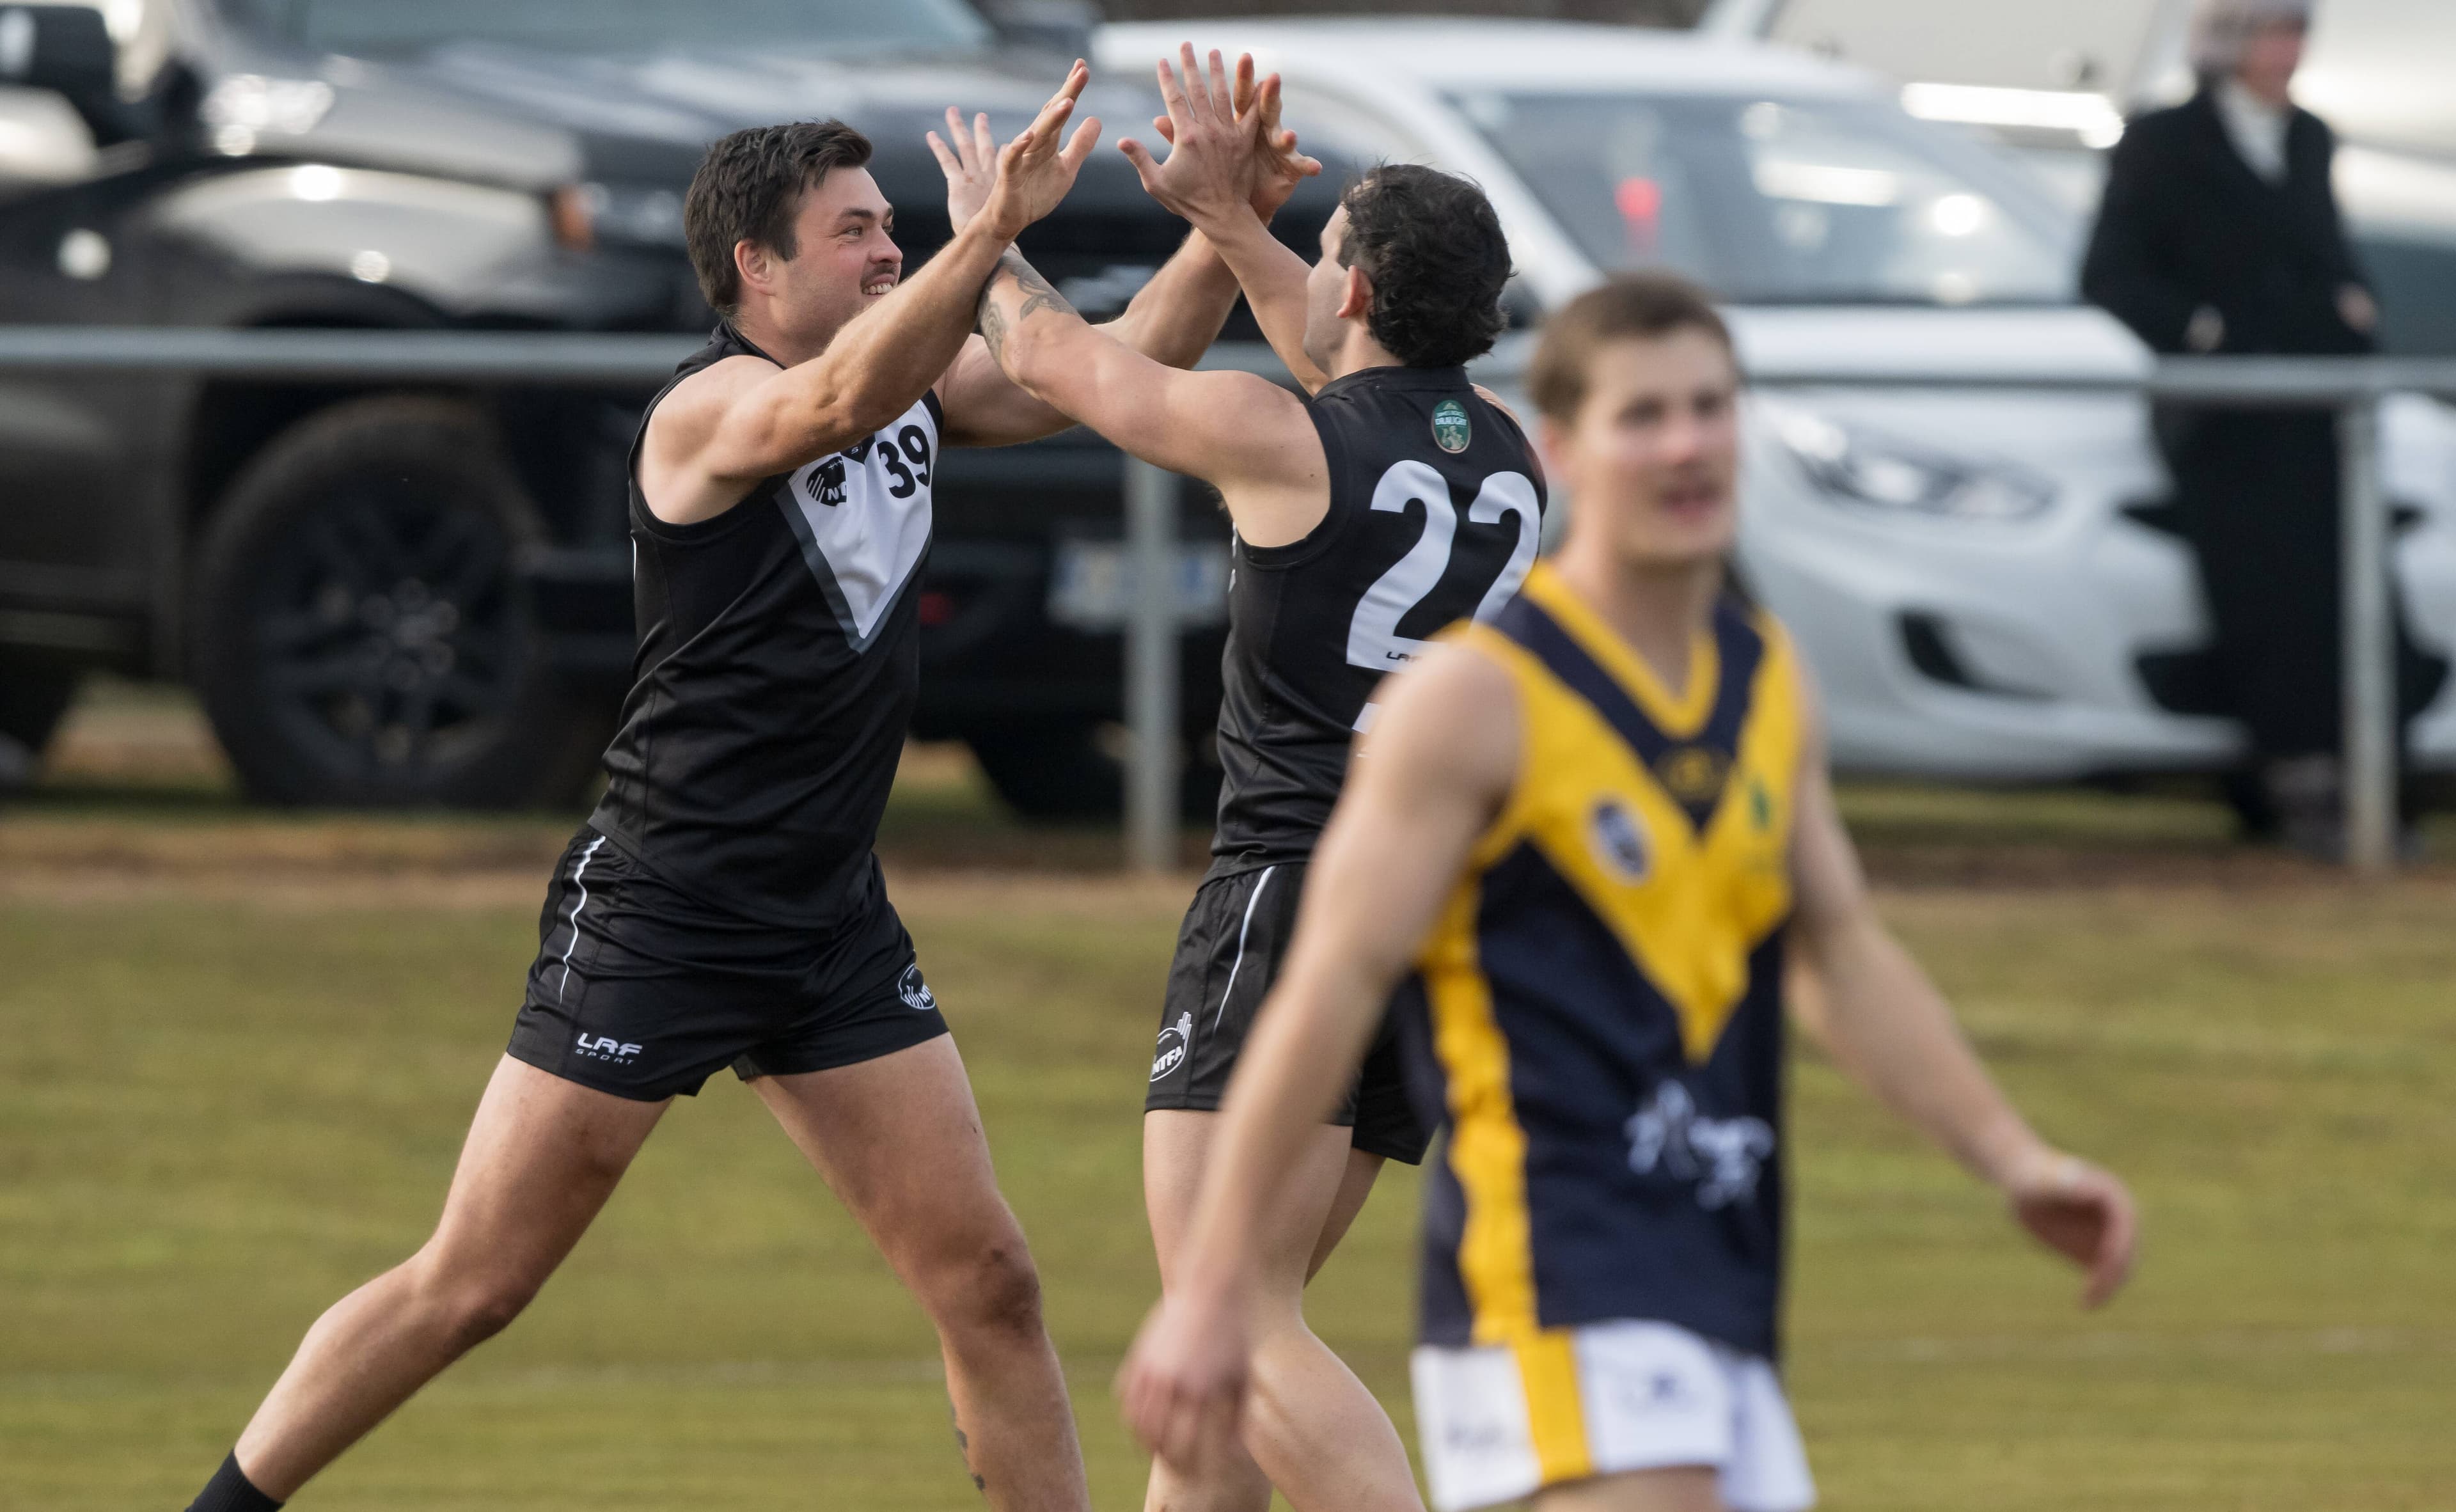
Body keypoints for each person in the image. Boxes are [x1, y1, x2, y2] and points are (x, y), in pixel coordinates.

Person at [180, 62, 1314, 1512]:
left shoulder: (911, 391)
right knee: (474, 1285)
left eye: (892, 226)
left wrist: (1225, 227)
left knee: (991, 1283)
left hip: (828, 924)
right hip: (667, 911)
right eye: (854, 231)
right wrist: (988, 237)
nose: (888, 247)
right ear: (755, 268)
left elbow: (1119, 365)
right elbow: (838, 397)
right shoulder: (709, 409)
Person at [1115, 274, 2141, 1512]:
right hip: (1554, 1280)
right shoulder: (1476, 701)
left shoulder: (1763, 678)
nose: (1687, 444)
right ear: (1564, 452)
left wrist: (2016, 1160)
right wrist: (1216, 1291)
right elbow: (1327, 992)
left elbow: (1839, 954)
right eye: (1643, 416)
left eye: (1710, 408)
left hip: (1720, 1280)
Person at [975, 46, 1539, 1512]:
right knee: (1220, 1380)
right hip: (1437, 918)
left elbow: (1049, 361)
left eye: (1328, 246)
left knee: (1232, 1317)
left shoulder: (1273, 435)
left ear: (1356, 288)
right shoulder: (1511, 456)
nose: (1314, 268)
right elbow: (1335, 352)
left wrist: (988, 236)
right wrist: (1230, 218)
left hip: (1292, 899)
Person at [2081, 0, 2431, 853]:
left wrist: (2354, 309)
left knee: (2353, 588)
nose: (2288, 51)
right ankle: (2293, 783)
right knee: (2266, 599)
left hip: (2314, 408)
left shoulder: (2307, 136)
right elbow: (2111, 273)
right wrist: (2203, 332)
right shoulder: (2165, 139)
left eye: (2297, 32)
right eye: (2273, 32)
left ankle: (2376, 782)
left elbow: (2324, 252)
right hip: (2227, 419)